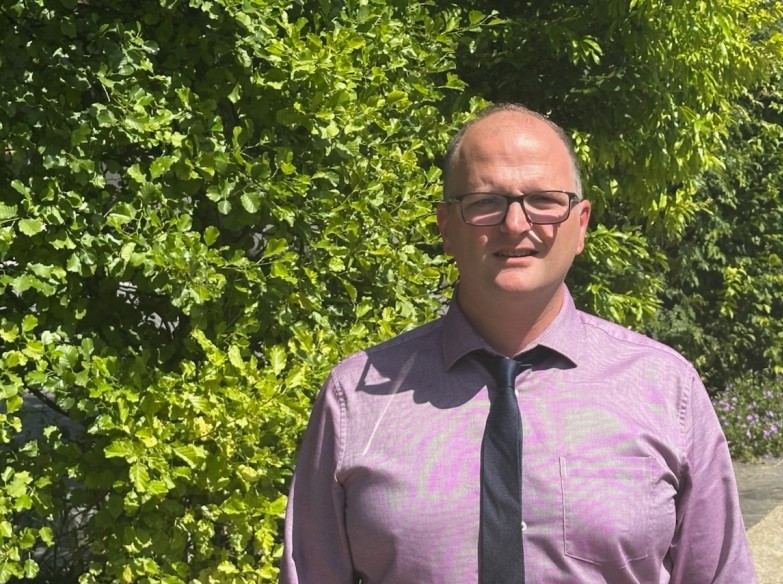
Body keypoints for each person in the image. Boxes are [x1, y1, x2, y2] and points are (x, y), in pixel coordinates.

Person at [281, 104, 756, 583]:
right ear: (446, 227)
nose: (514, 224)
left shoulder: (665, 388)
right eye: (485, 202)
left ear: (581, 224)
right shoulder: (356, 398)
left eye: (544, 200)